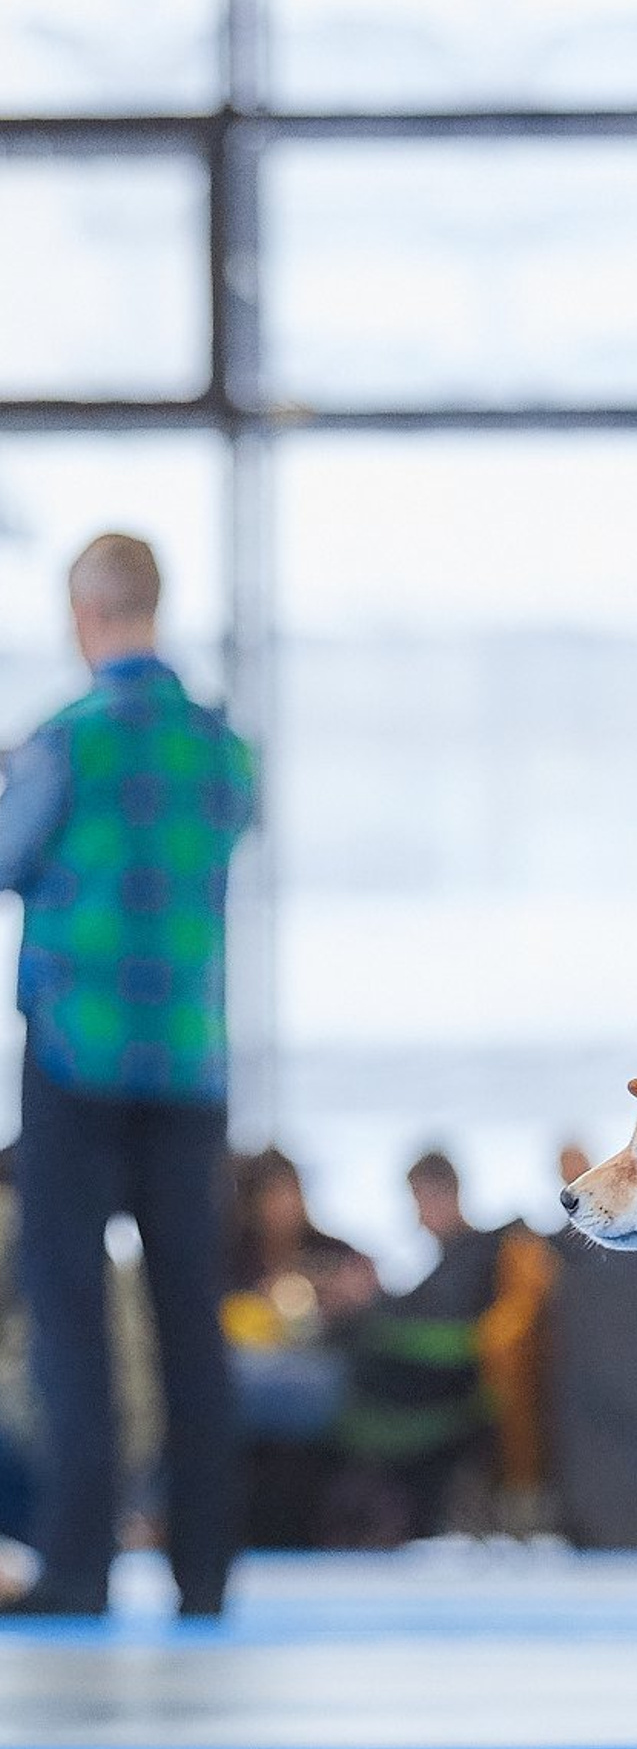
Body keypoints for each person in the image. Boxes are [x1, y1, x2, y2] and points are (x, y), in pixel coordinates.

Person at [0, 532, 254, 1616]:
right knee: (189, 1310)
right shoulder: (224, 747)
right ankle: (204, 1567)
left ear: (82, 613)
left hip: (76, 1054)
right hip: (189, 1062)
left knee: (71, 1316)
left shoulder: (66, 740)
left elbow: (9, 858)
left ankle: (80, 1562)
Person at [327, 1149, 555, 1544]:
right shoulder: (456, 1258)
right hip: (427, 1393)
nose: (417, 1217)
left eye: (419, 1201)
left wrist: (368, 1311)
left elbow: (448, 1337)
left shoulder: (477, 1256)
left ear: (441, 1194)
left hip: (442, 1404)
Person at [223, 1148, 381, 1546]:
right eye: (273, 1196)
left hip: (322, 1381)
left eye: (290, 1193)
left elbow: (375, 1304)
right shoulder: (230, 1260)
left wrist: (347, 1298)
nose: (284, 1206)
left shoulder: (336, 1254)